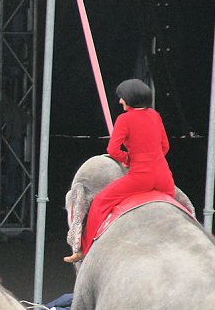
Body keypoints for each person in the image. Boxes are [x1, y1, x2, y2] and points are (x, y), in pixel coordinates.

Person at [65, 78, 175, 263]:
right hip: (164, 177)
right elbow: (165, 146)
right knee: (181, 207)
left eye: (122, 97)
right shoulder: (155, 116)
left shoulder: (124, 119)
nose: (120, 101)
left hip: (141, 178)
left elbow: (113, 150)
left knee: (100, 203)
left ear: (130, 98)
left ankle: (82, 250)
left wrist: (129, 159)